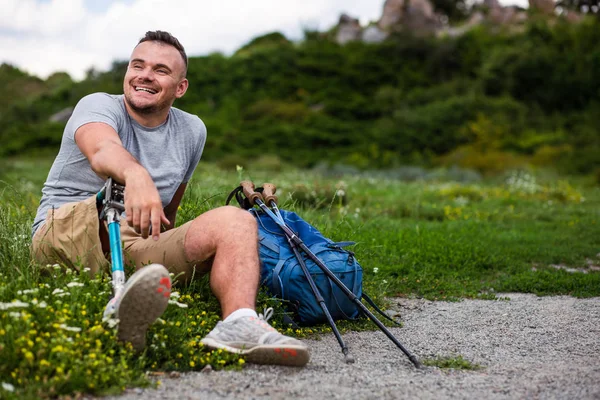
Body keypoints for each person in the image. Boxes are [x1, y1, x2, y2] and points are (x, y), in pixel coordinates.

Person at [31, 30, 309, 367]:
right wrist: (135, 174)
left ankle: (239, 324)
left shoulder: (192, 130)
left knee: (235, 220)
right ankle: (120, 304)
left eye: (160, 70)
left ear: (180, 87)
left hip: (134, 243)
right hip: (65, 231)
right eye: (138, 65)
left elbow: (169, 212)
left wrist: (179, 251)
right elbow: (103, 149)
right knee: (112, 194)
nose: (145, 75)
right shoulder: (98, 105)